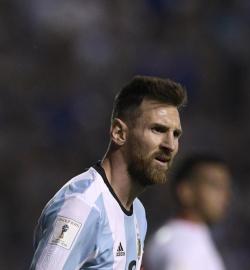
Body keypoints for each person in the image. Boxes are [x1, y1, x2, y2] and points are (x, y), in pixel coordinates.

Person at [30, 75, 187, 270]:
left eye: (176, 134)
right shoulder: (81, 206)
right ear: (119, 133)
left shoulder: (138, 212)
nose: (170, 145)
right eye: (157, 129)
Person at [144, 154, 232, 270]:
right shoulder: (183, 245)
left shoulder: (188, 236)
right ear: (185, 191)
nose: (225, 195)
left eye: (226, 187)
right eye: (215, 185)